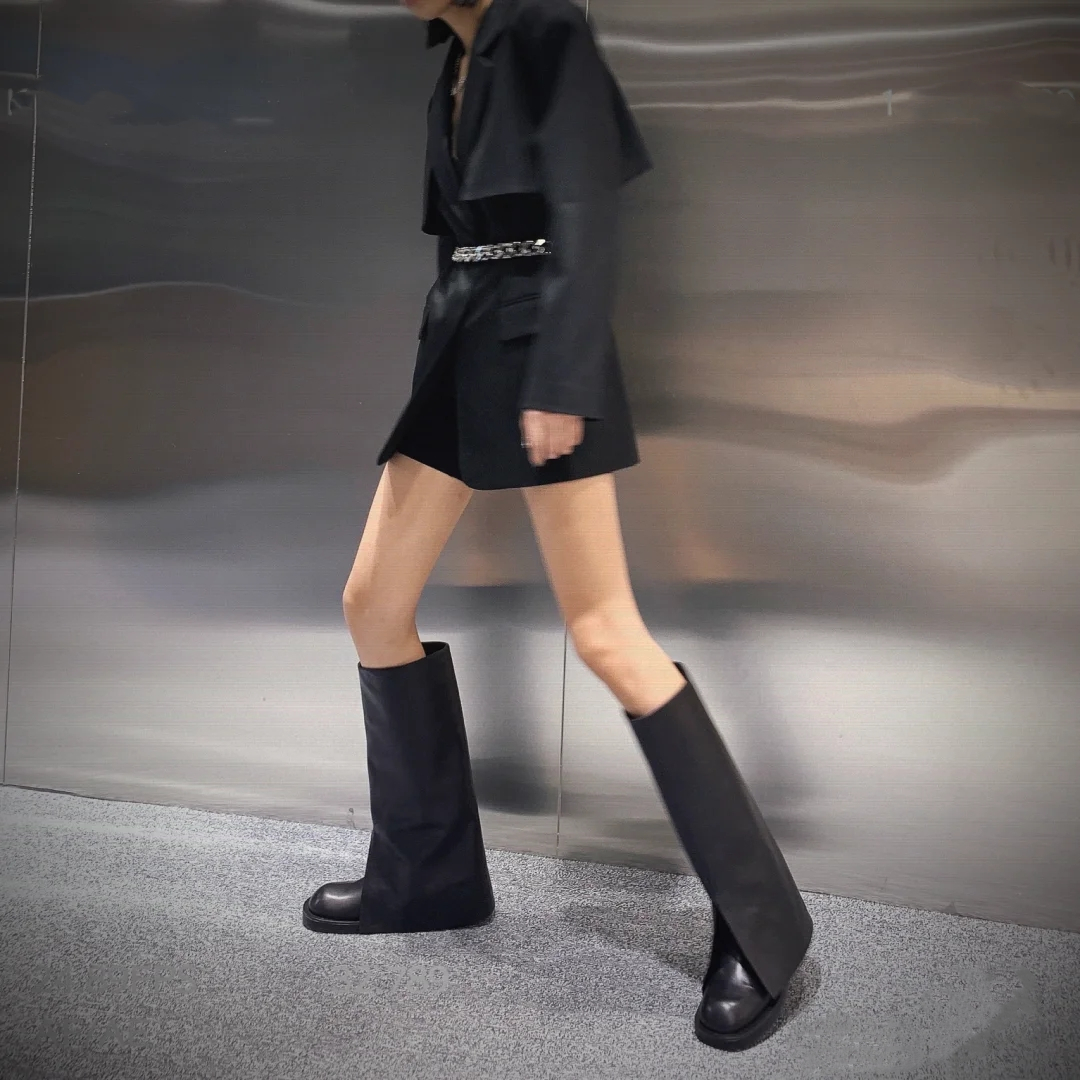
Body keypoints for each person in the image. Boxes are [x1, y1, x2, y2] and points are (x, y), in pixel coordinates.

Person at [302, 0, 812, 1051]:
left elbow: (586, 205)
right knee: (372, 603)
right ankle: (427, 877)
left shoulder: (544, 27)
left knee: (606, 633)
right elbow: (461, 236)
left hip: (541, 357)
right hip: (459, 351)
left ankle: (767, 931)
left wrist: (564, 376)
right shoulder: (454, 58)